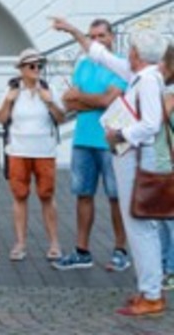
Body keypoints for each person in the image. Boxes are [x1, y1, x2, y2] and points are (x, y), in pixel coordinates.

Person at [53, 17, 167, 316]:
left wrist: (121, 134)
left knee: (141, 226)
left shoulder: (148, 80)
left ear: (138, 54)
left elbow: (151, 124)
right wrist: (75, 32)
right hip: (131, 159)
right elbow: (100, 55)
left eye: (130, 49)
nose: (126, 53)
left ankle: (152, 293)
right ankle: (148, 288)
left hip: (137, 159)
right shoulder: (140, 75)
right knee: (140, 226)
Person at [52, 20, 129, 272]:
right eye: (93, 36)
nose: (97, 40)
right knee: (83, 195)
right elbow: (68, 102)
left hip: (112, 140)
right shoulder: (83, 64)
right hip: (83, 139)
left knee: (116, 197)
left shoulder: (120, 66)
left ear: (112, 37)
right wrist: (96, 101)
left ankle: (121, 250)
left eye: (102, 35)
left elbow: (108, 100)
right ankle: (82, 251)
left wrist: (84, 99)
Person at [0, 48, 64, 261]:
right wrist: (8, 100)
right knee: (19, 196)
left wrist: (50, 102)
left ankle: (54, 243)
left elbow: (62, 118)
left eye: (39, 66)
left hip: (45, 151)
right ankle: (20, 243)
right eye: (32, 66)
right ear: (22, 69)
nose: (37, 70)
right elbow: (1, 118)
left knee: (47, 196)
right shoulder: (13, 91)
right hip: (18, 150)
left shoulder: (49, 88)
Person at [156, 45, 174, 292]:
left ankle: (169, 268)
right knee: (162, 219)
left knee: (168, 220)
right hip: (161, 163)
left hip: (167, 163)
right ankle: (163, 266)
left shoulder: (168, 96)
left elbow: (157, 119)